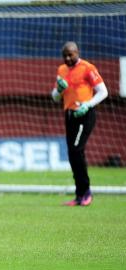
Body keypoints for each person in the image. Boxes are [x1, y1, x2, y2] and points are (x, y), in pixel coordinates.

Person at [51, 41, 108, 206]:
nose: (68, 58)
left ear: (78, 52)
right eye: (65, 55)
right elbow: (55, 97)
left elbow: (103, 91)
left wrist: (88, 104)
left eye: (71, 54)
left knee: (76, 151)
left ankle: (86, 192)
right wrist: (59, 90)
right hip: (69, 115)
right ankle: (79, 195)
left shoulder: (88, 68)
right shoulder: (61, 70)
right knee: (72, 154)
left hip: (84, 114)